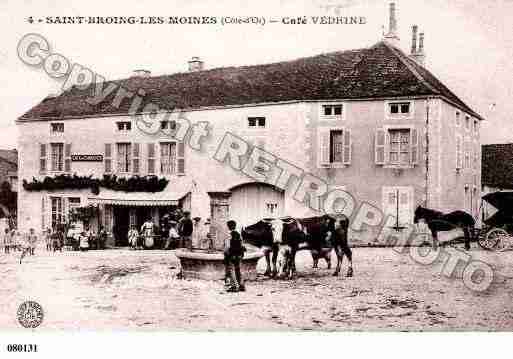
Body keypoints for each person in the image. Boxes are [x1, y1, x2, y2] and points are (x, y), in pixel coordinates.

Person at [225, 220, 246, 293]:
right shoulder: (238, 234)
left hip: (232, 255)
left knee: (232, 270)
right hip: (239, 254)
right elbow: (242, 245)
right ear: (235, 226)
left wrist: (226, 255)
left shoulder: (229, 235)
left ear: (228, 227)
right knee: (238, 270)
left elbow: (227, 247)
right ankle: (241, 285)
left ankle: (234, 286)